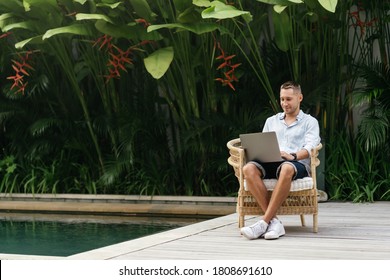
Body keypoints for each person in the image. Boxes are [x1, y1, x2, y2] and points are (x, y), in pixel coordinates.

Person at [240, 81, 320, 240]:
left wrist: (293, 156)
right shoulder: (272, 121)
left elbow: (311, 148)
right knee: (248, 169)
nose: (284, 103)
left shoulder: (310, 122)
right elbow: (263, 142)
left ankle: (263, 222)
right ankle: (274, 222)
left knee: (287, 168)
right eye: (282, 99)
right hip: (271, 160)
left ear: (300, 97)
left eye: (289, 99)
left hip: (296, 163)